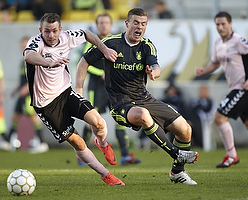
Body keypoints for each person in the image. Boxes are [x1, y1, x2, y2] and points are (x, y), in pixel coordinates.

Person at [76, 8, 199, 185]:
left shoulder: (147, 46)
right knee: (142, 115)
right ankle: (175, 153)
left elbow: (155, 65)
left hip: (144, 98)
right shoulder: (110, 43)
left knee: (185, 129)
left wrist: (154, 72)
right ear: (127, 24)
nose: (139, 27)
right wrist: (79, 89)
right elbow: (84, 61)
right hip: (120, 103)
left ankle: (177, 172)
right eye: (136, 23)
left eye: (143, 24)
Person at [23, 13, 124, 186]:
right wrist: (48, 62)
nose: (51, 35)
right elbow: (28, 56)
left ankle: (102, 143)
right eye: (47, 31)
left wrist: (104, 48)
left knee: (98, 122)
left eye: (55, 31)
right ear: (41, 31)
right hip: (46, 104)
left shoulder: (66, 37)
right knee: (77, 141)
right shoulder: (35, 43)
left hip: (65, 92)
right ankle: (106, 175)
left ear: (60, 30)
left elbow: (87, 34)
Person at [195, 11, 248, 168]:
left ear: (230, 24)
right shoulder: (218, 44)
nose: (220, 27)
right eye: (217, 25)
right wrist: (204, 70)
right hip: (237, 88)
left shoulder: (239, 41)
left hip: (244, 87)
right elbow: (215, 63)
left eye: (223, 24)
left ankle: (232, 155)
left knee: (219, 117)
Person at [78, 12, 141, 166]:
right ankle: (81, 154)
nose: (104, 25)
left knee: (120, 119)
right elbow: (84, 65)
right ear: (97, 25)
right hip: (96, 87)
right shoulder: (91, 42)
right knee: (91, 121)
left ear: (111, 25)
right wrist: (102, 73)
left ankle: (125, 155)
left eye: (107, 22)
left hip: (113, 88)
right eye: (101, 23)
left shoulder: (114, 41)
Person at [6, 36, 49, 154]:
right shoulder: (23, 61)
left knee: (33, 118)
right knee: (15, 117)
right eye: (22, 45)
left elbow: (35, 78)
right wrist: (16, 90)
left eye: (25, 45)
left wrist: (25, 89)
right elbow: (23, 79)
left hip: (30, 94)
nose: (23, 47)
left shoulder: (33, 60)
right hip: (21, 94)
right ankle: (8, 141)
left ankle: (42, 143)